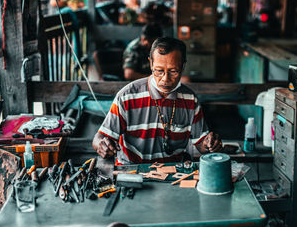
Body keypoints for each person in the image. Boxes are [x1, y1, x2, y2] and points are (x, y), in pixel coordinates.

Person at [93, 37, 222, 164]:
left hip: (173, 171)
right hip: (132, 170)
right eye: (159, 71)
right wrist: (102, 145)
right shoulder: (127, 97)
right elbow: (98, 138)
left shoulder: (190, 100)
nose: (165, 79)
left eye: (173, 71)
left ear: (183, 66)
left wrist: (209, 144)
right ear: (151, 63)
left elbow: (200, 143)